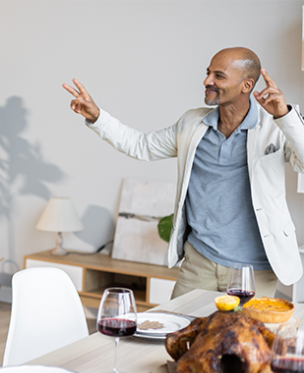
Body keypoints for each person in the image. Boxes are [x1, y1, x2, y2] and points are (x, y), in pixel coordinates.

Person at [63, 47, 304, 299]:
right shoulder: (192, 123)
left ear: (246, 85)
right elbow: (141, 146)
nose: (207, 81)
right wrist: (97, 117)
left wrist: (285, 117)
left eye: (218, 76)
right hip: (199, 263)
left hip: (254, 269)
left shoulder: (277, 124)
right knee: (180, 335)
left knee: (245, 339)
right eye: (208, 73)